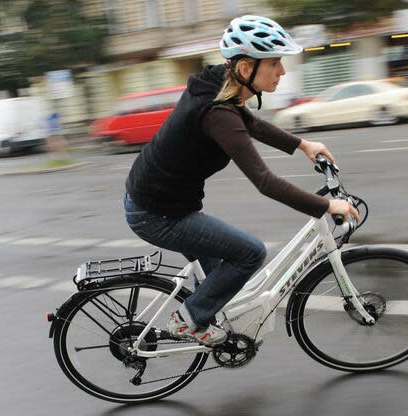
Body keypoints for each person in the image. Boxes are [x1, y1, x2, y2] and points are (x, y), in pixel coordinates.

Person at [124, 15, 359, 346]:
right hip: (158, 213)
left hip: (159, 200)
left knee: (222, 274)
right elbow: (265, 181)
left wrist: (303, 145)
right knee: (249, 253)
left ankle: (207, 316)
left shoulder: (220, 85)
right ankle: (189, 320)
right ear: (246, 67)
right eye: (275, 63)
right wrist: (326, 205)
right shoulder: (217, 113)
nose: (282, 71)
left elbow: (250, 123)